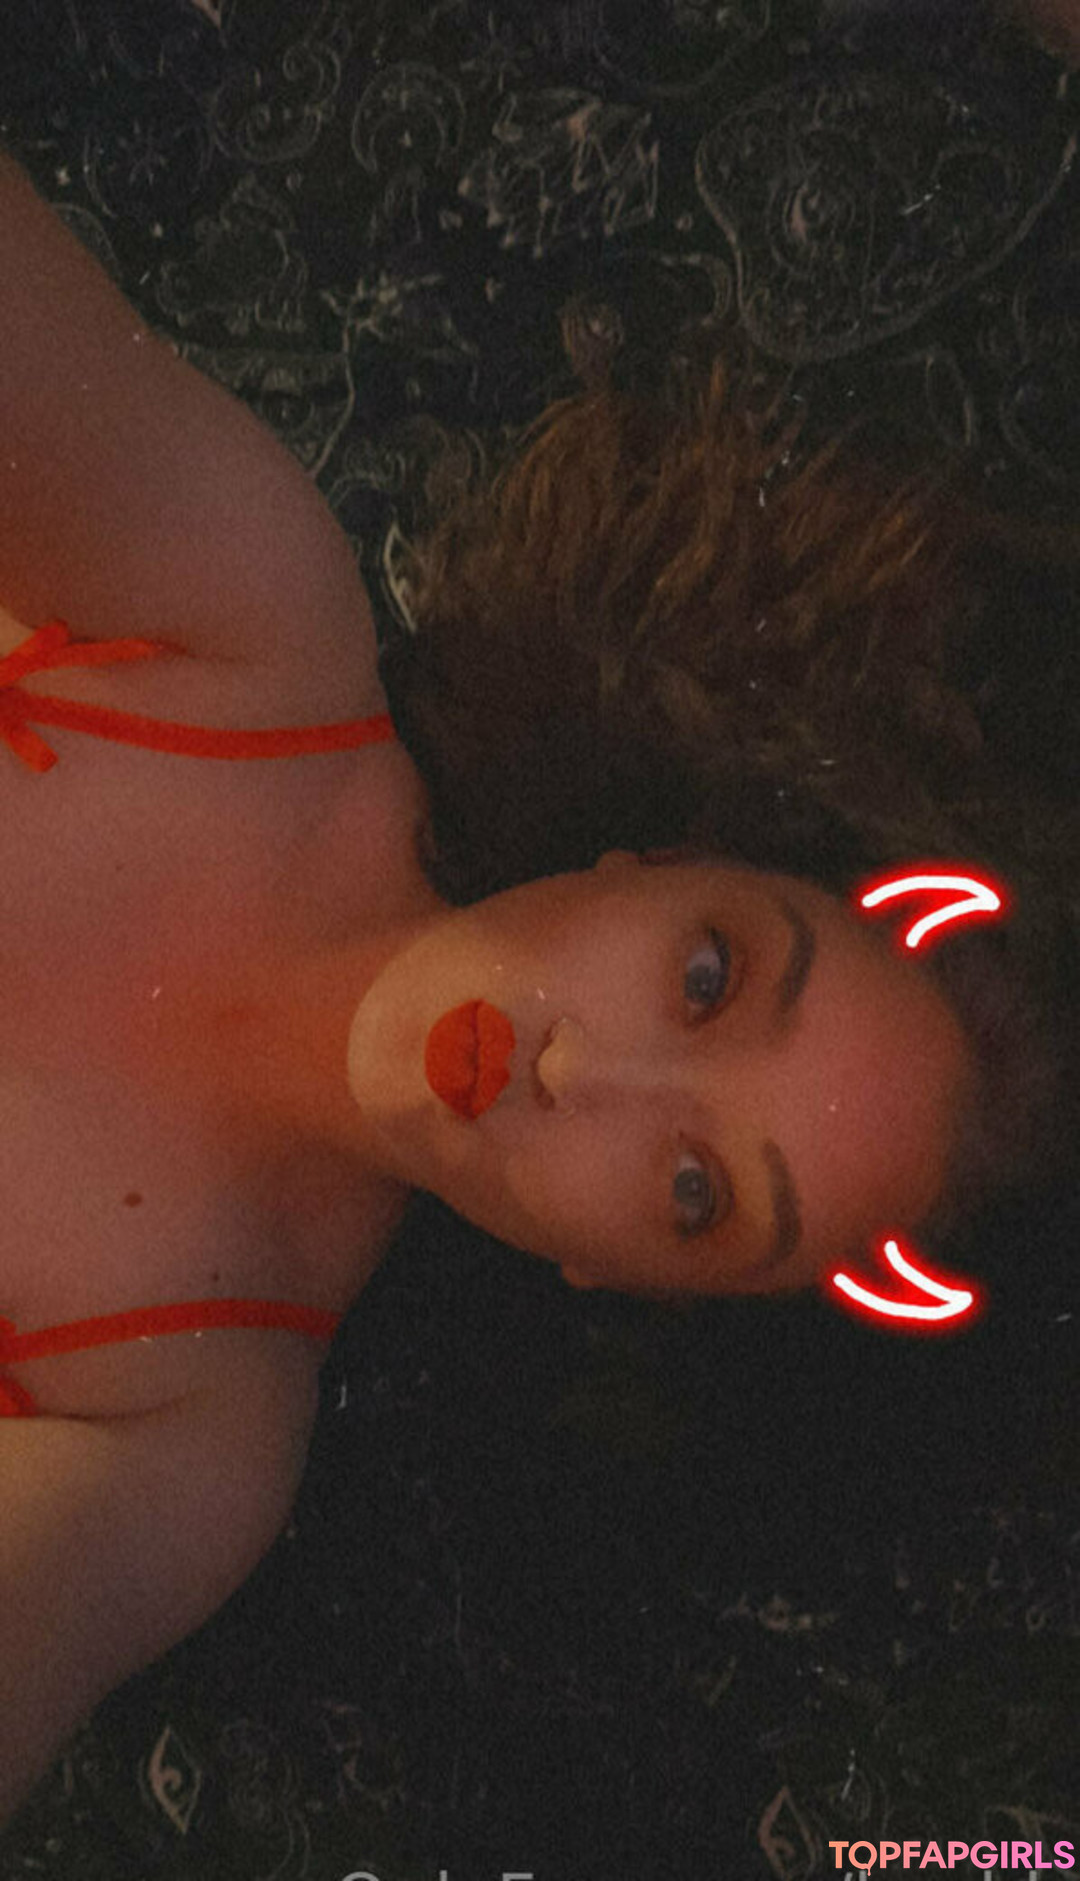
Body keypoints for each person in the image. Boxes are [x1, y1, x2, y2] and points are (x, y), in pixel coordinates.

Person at [0, 135, 1073, 1830]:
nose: (585, 1074)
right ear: (648, 859)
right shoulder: (250, 626)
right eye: (708, 976)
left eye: (697, 1190)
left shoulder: (194, 1431)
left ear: (620, 1277)